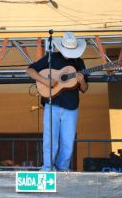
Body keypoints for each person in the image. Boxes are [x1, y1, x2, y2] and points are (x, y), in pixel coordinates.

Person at [26, 32, 88, 171]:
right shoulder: (51, 58)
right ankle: (48, 168)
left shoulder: (79, 62)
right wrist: (44, 81)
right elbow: (30, 70)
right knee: (50, 139)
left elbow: (84, 89)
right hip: (52, 104)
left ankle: (63, 168)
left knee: (68, 141)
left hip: (72, 107)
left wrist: (82, 80)